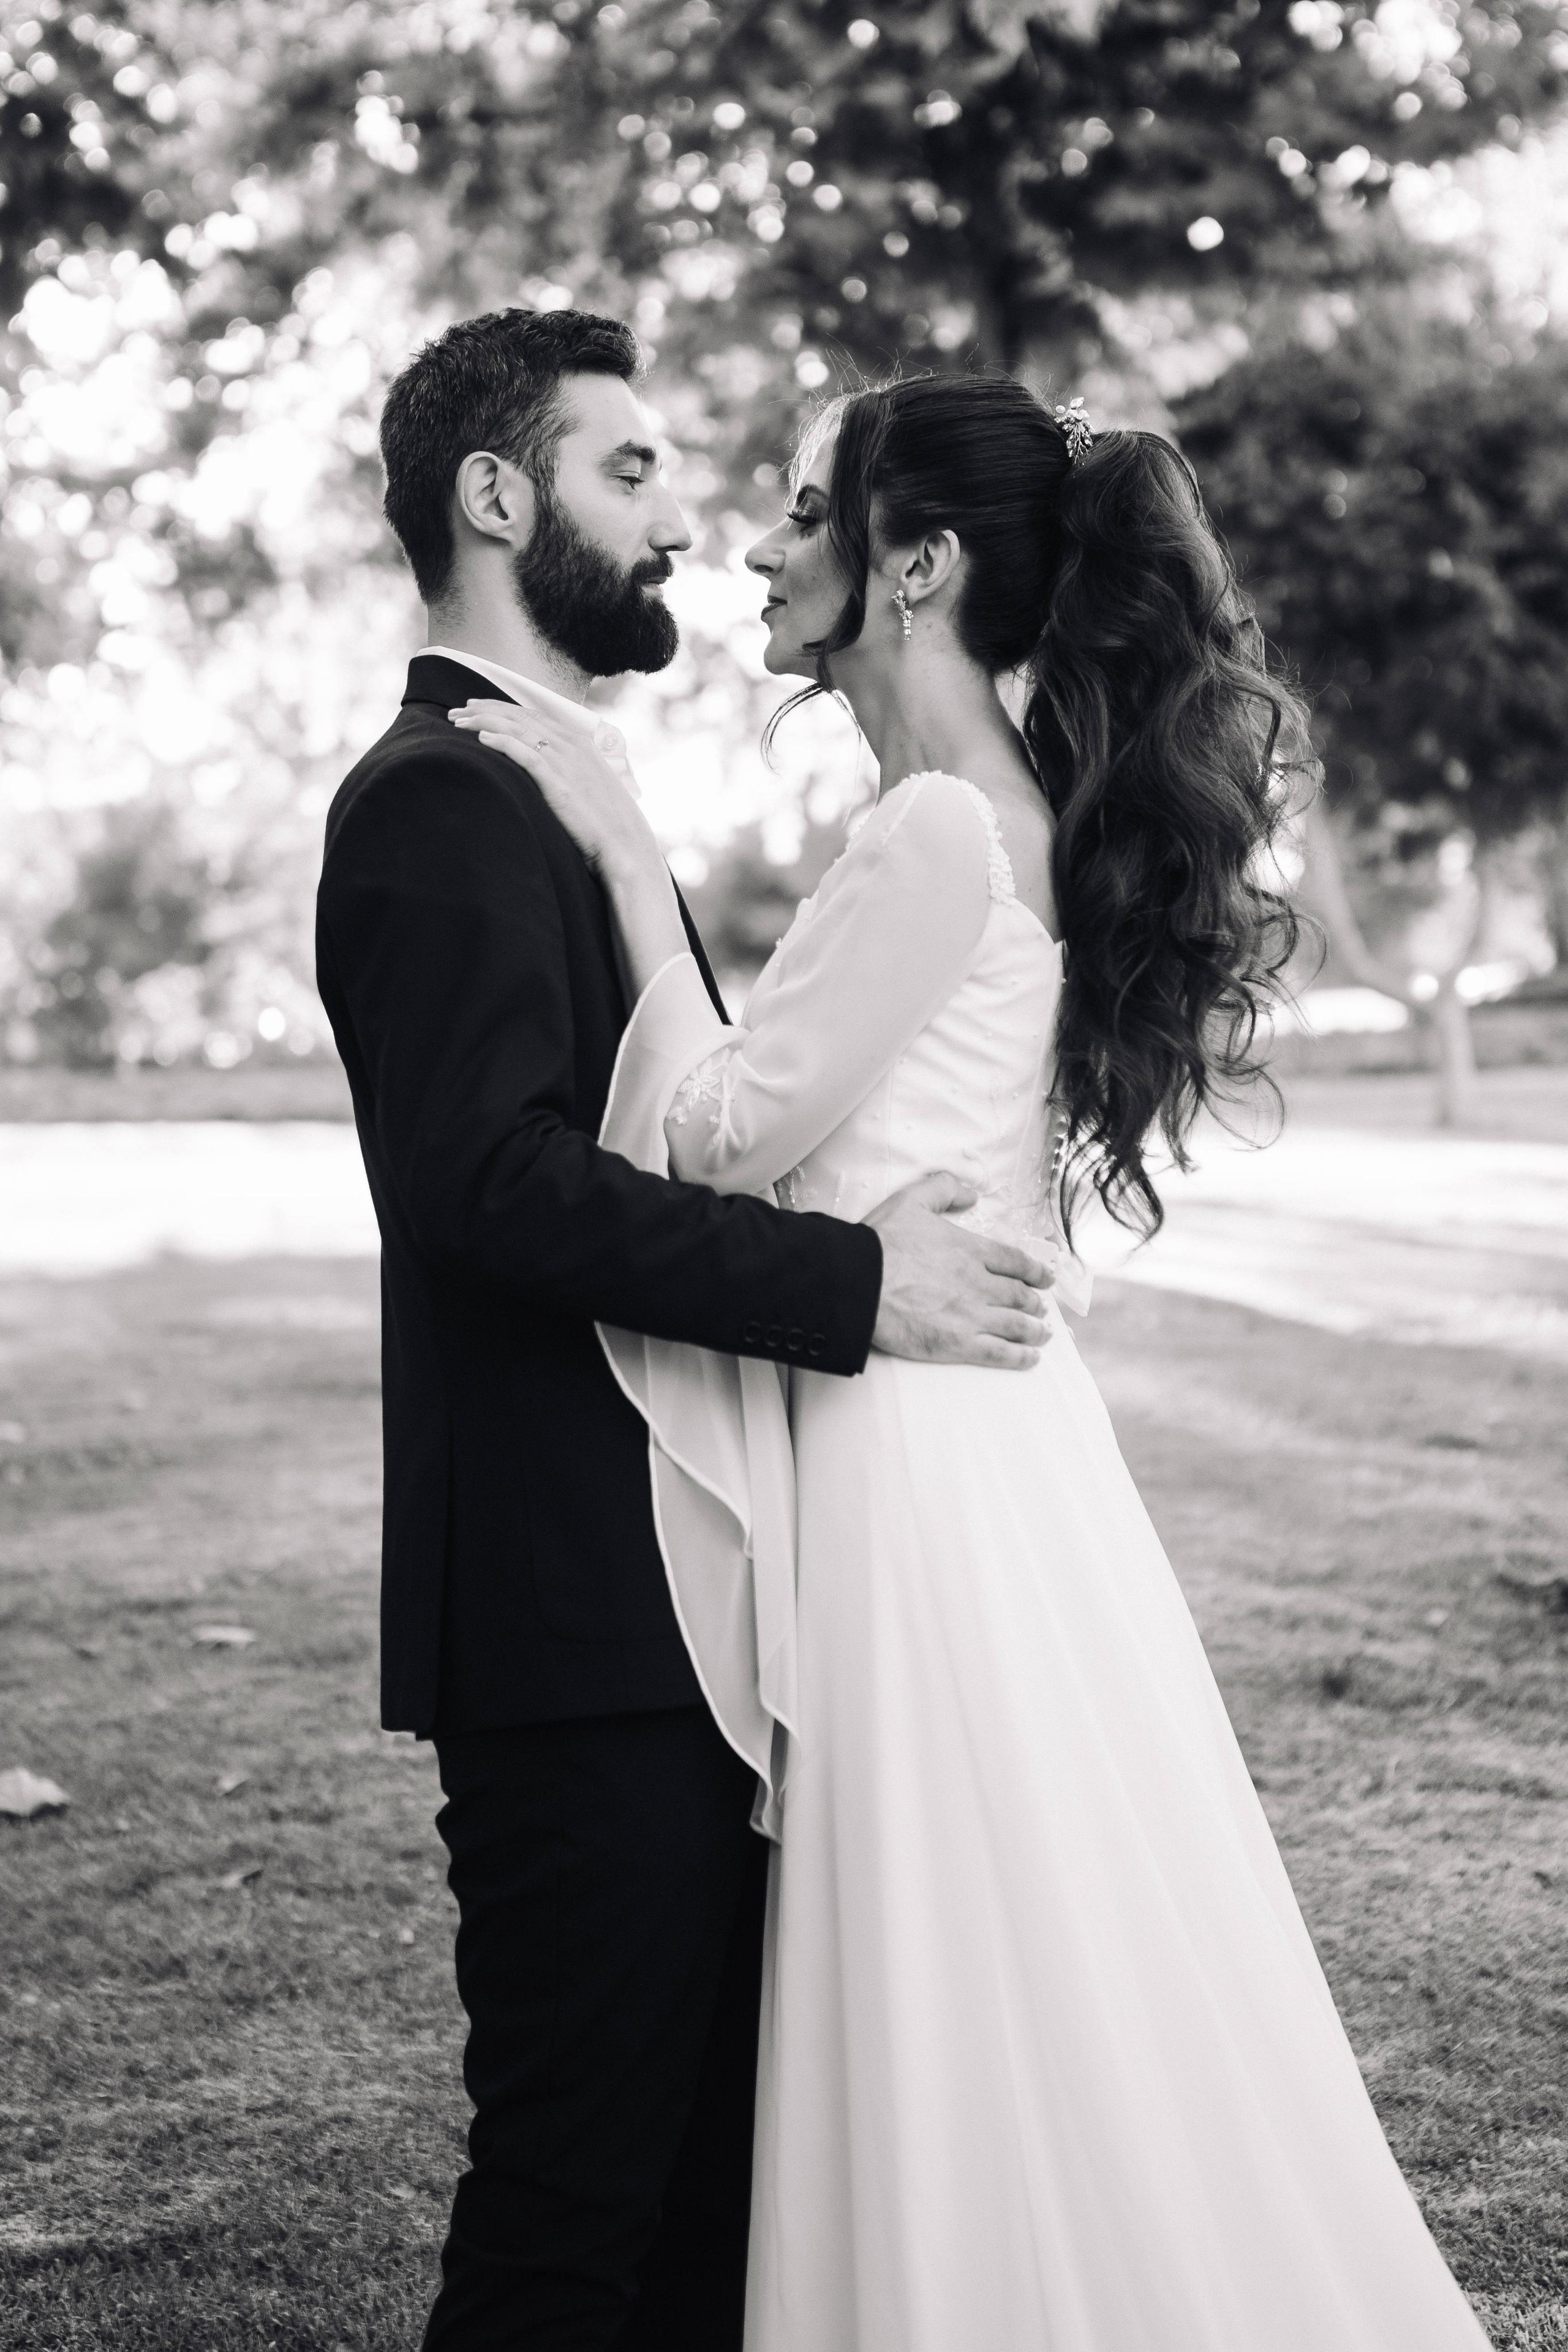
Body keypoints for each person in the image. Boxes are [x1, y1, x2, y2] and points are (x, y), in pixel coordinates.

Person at [460, 370, 1495, 2350]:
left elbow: (713, 1139)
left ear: (917, 564)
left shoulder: (940, 824)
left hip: (918, 1470)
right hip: (982, 1441)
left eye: (805, 512)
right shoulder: (994, 812)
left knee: (950, 1943)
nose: (758, 549)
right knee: (1023, 1948)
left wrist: (625, 865)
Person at [314, 309, 1054, 2352]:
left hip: (698, 1614)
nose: (683, 522)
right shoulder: (437, 800)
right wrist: (861, 1289)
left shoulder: (546, 791)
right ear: (497, 498)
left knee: (703, 2221)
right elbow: (491, 1190)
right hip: (574, 1620)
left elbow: (700, 1126)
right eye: (628, 469)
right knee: (572, 2214)